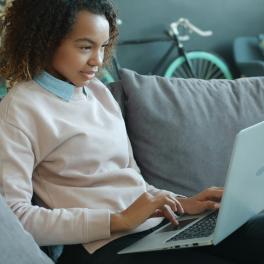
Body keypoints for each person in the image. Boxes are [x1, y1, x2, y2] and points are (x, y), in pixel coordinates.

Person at [0, 1, 263, 263]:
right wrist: (119, 220)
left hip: (155, 228)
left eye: (103, 47)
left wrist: (184, 204)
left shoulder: (99, 93)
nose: (97, 60)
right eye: (85, 47)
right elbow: (15, 216)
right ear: (47, 41)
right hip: (104, 244)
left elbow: (131, 179)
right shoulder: (20, 109)